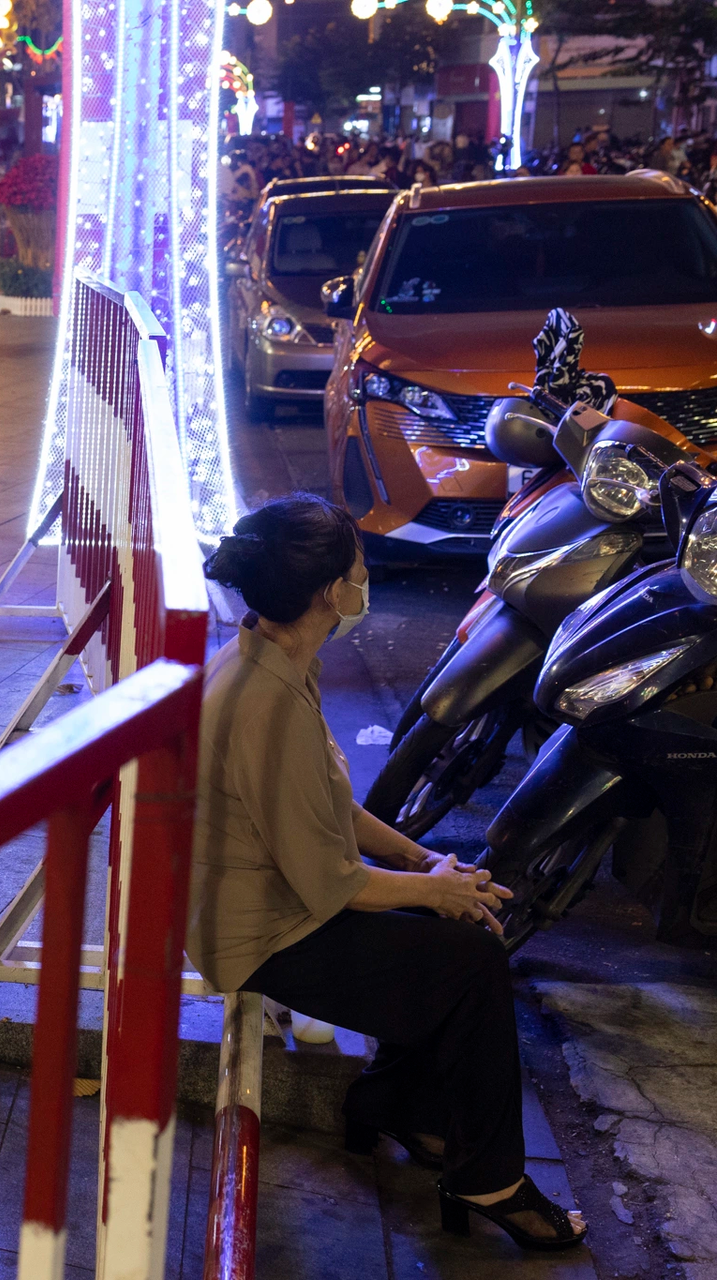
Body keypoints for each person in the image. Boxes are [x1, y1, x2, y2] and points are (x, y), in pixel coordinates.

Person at [191, 494, 586, 1253]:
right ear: (330, 594)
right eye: (358, 566)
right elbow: (334, 884)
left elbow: (331, 804)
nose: (366, 576)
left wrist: (421, 860)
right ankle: (489, 1177)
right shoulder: (266, 703)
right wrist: (441, 890)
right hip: (263, 934)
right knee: (470, 953)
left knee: (455, 929)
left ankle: (399, 1105)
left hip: (280, 902)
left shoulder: (269, 657)